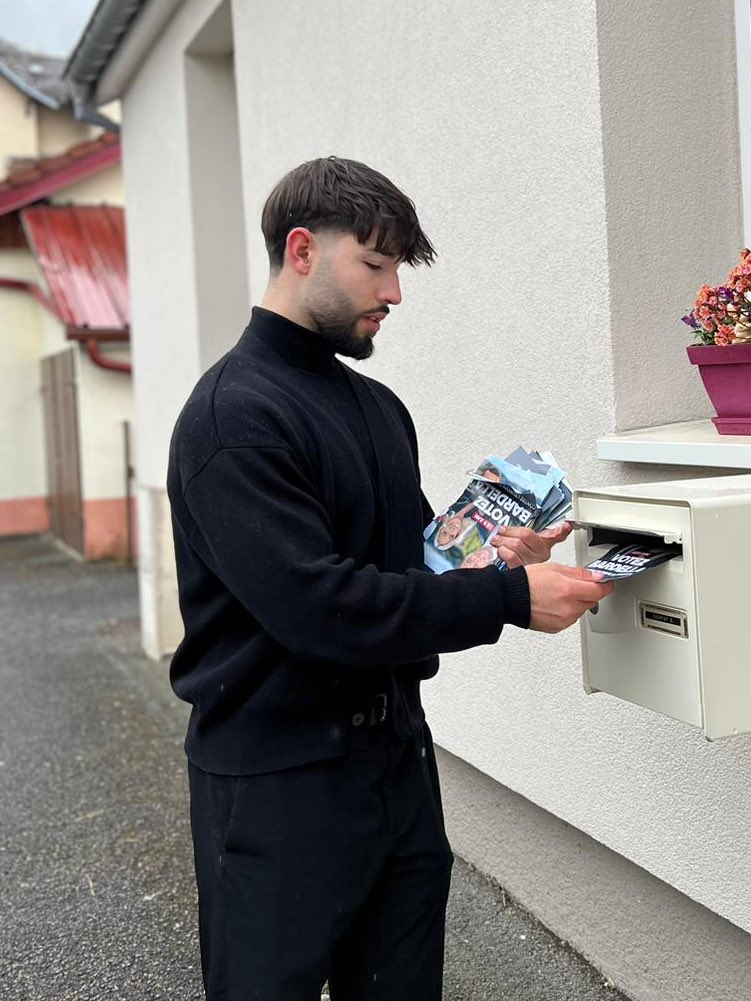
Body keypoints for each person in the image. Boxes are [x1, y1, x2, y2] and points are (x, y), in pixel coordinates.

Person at [166, 156, 614, 1001]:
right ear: (302, 250)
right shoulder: (234, 417)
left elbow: (408, 566)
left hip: (396, 764)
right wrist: (509, 600)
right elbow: (318, 607)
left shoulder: (376, 408)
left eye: (398, 268)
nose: (395, 292)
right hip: (276, 783)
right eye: (374, 264)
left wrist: (493, 558)